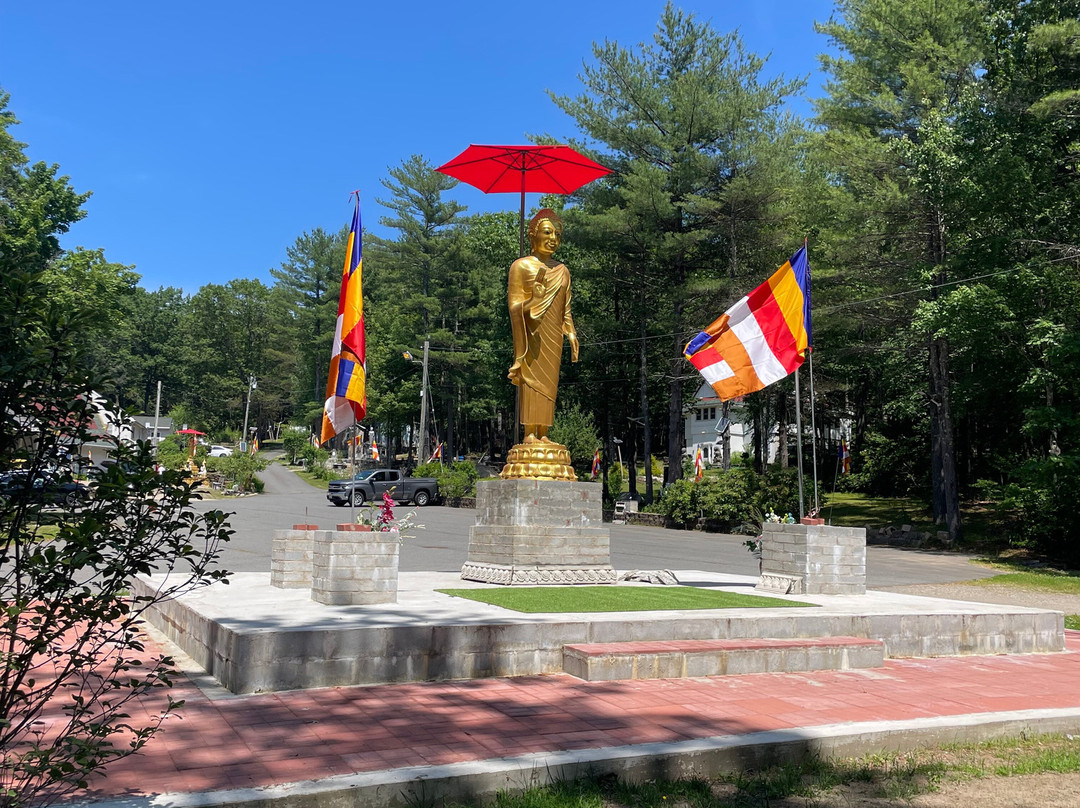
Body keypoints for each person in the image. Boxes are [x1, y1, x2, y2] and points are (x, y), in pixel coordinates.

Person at [507, 209, 579, 441]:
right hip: (531, 335)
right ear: (532, 235)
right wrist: (534, 300)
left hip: (553, 335)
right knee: (531, 380)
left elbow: (565, 309)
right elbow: (514, 307)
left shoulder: (563, 271)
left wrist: (571, 332)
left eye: (557, 235)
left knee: (549, 382)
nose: (553, 239)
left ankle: (544, 432)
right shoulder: (521, 266)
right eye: (547, 232)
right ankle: (529, 432)